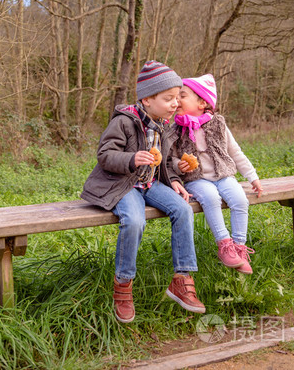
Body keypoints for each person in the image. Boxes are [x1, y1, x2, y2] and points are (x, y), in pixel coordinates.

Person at [81, 60, 205, 324]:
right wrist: (130, 159)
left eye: (177, 97)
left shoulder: (163, 124)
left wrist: (173, 178)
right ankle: (123, 284)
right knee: (134, 221)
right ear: (147, 99)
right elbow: (105, 155)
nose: (176, 103)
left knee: (183, 209)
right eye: (169, 98)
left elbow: (166, 160)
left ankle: (182, 279)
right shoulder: (124, 122)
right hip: (122, 184)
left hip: (150, 184)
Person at [170, 74, 263, 275]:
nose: (177, 101)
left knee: (239, 199)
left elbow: (235, 152)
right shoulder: (176, 129)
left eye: (182, 96)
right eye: (175, 97)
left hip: (223, 175)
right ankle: (224, 245)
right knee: (210, 198)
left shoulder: (218, 124)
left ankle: (239, 247)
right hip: (196, 179)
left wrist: (252, 177)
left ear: (202, 102)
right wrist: (180, 166)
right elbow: (171, 158)